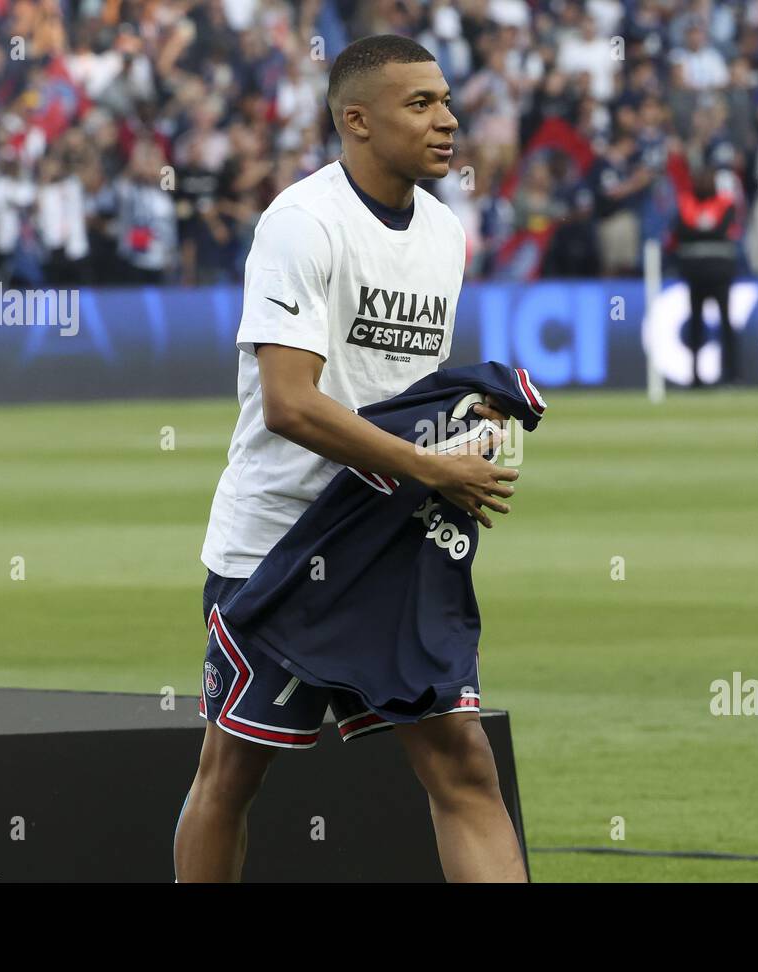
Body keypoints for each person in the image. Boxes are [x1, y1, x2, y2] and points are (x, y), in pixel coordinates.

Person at [173, 35, 527, 883]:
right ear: (356, 121)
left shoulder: (444, 232)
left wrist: (462, 426)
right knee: (233, 769)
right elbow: (292, 403)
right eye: (421, 104)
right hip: (279, 547)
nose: (447, 120)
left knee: (463, 762)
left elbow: (400, 390)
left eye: (445, 100)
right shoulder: (301, 223)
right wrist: (432, 467)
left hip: (388, 539)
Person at [669, 163, 739, 385]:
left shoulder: (725, 203)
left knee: (726, 322)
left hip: (719, 272)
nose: (704, 185)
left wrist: (698, 230)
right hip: (696, 272)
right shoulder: (685, 202)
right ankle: (695, 375)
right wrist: (706, 230)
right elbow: (681, 231)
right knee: (696, 324)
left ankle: (732, 373)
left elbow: (720, 231)